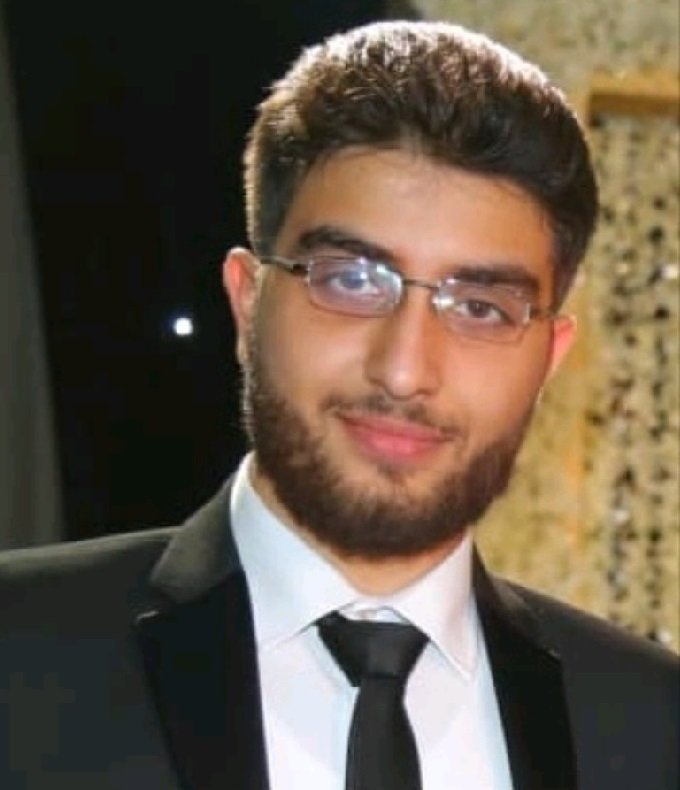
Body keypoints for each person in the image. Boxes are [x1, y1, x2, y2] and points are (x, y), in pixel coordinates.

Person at [0, 19, 677, 790]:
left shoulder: (651, 724)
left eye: (480, 308)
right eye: (353, 281)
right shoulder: (20, 655)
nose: (404, 370)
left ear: (549, 359)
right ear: (247, 304)